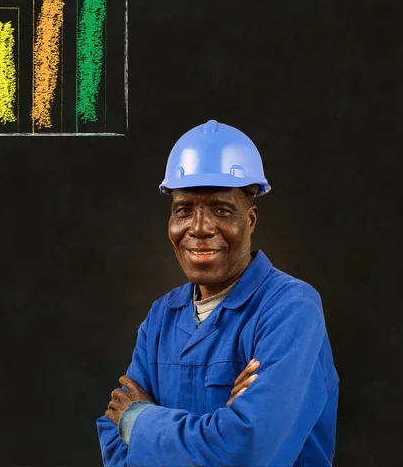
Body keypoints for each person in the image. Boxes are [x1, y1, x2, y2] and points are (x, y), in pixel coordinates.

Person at [96, 120, 339, 466]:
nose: (199, 228)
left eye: (221, 210)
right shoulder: (161, 317)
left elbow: (249, 451)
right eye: (183, 211)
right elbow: (113, 442)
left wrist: (139, 422)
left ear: (250, 220)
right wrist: (220, 429)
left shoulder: (291, 310)